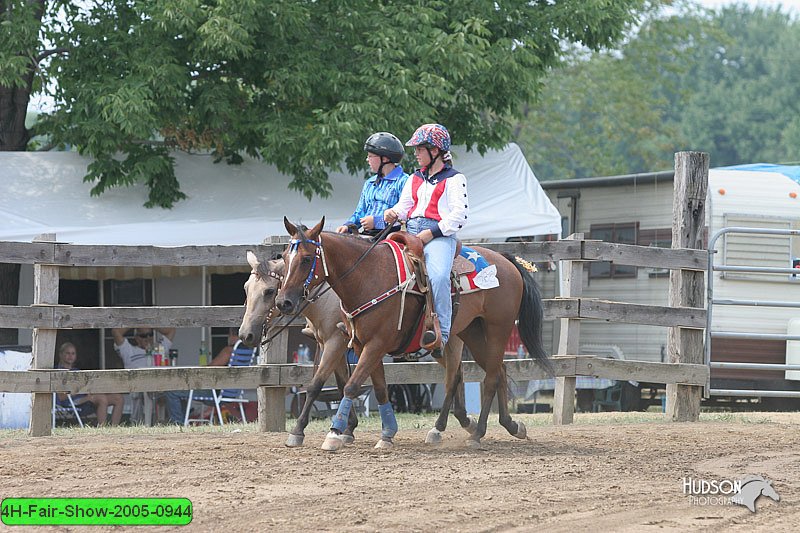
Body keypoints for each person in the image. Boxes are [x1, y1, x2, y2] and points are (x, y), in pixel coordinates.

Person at [384, 123, 468, 357]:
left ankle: (443, 334)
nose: (416, 154)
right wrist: (393, 212)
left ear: (435, 151)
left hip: (439, 237)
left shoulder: (455, 179)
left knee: (439, 276)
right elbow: (405, 206)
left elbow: (458, 216)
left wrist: (431, 233)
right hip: (410, 233)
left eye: (420, 149)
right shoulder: (414, 178)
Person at [163, 328, 250, 425]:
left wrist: (195, 372)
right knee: (182, 392)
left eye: (229, 335)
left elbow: (209, 369)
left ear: (233, 335)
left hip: (215, 393)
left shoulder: (229, 351)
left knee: (172, 391)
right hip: (232, 393)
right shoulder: (245, 353)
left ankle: (177, 423)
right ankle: (181, 421)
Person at [336, 132, 409, 236]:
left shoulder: (404, 181)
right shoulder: (370, 183)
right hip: (368, 235)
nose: (367, 159)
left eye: (370, 156)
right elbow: (360, 212)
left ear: (385, 158)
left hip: (392, 236)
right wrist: (348, 226)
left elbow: (404, 215)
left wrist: (376, 222)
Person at [112, 326, 176, 424]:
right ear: (136, 338)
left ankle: (173, 422)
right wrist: (137, 323)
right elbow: (115, 331)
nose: (147, 338)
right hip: (138, 386)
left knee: (175, 390)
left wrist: (150, 324)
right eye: (143, 335)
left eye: (150, 335)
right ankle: (144, 423)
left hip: (160, 386)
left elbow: (171, 330)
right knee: (146, 393)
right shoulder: (129, 350)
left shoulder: (159, 349)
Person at [56, 342, 124, 426]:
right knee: (101, 399)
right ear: (61, 354)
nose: (70, 356)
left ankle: (114, 428)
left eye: (73, 353)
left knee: (118, 398)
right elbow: (61, 397)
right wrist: (81, 391)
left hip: (85, 397)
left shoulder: (77, 371)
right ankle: (102, 429)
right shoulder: (58, 372)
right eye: (67, 353)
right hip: (71, 403)